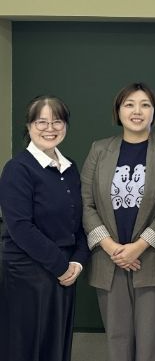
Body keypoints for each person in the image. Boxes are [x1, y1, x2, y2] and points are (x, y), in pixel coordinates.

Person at [81, 83, 155, 361]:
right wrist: (111, 247)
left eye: (145, 105)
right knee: (117, 340)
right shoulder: (100, 149)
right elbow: (86, 202)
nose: (137, 111)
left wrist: (139, 246)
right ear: (118, 110)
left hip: (152, 260)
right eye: (129, 104)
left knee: (149, 342)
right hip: (109, 260)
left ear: (154, 112)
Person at [0, 95, 90, 361]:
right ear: (29, 126)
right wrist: (61, 266)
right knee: (26, 348)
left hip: (64, 273)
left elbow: (78, 220)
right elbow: (20, 227)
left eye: (57, 121)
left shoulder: (70, 167)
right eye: (41, 122)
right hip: (27, 275)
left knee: (56, 346)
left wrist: (78, 261)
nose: (50, 128)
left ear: (66, 126)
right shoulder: (17, 169)